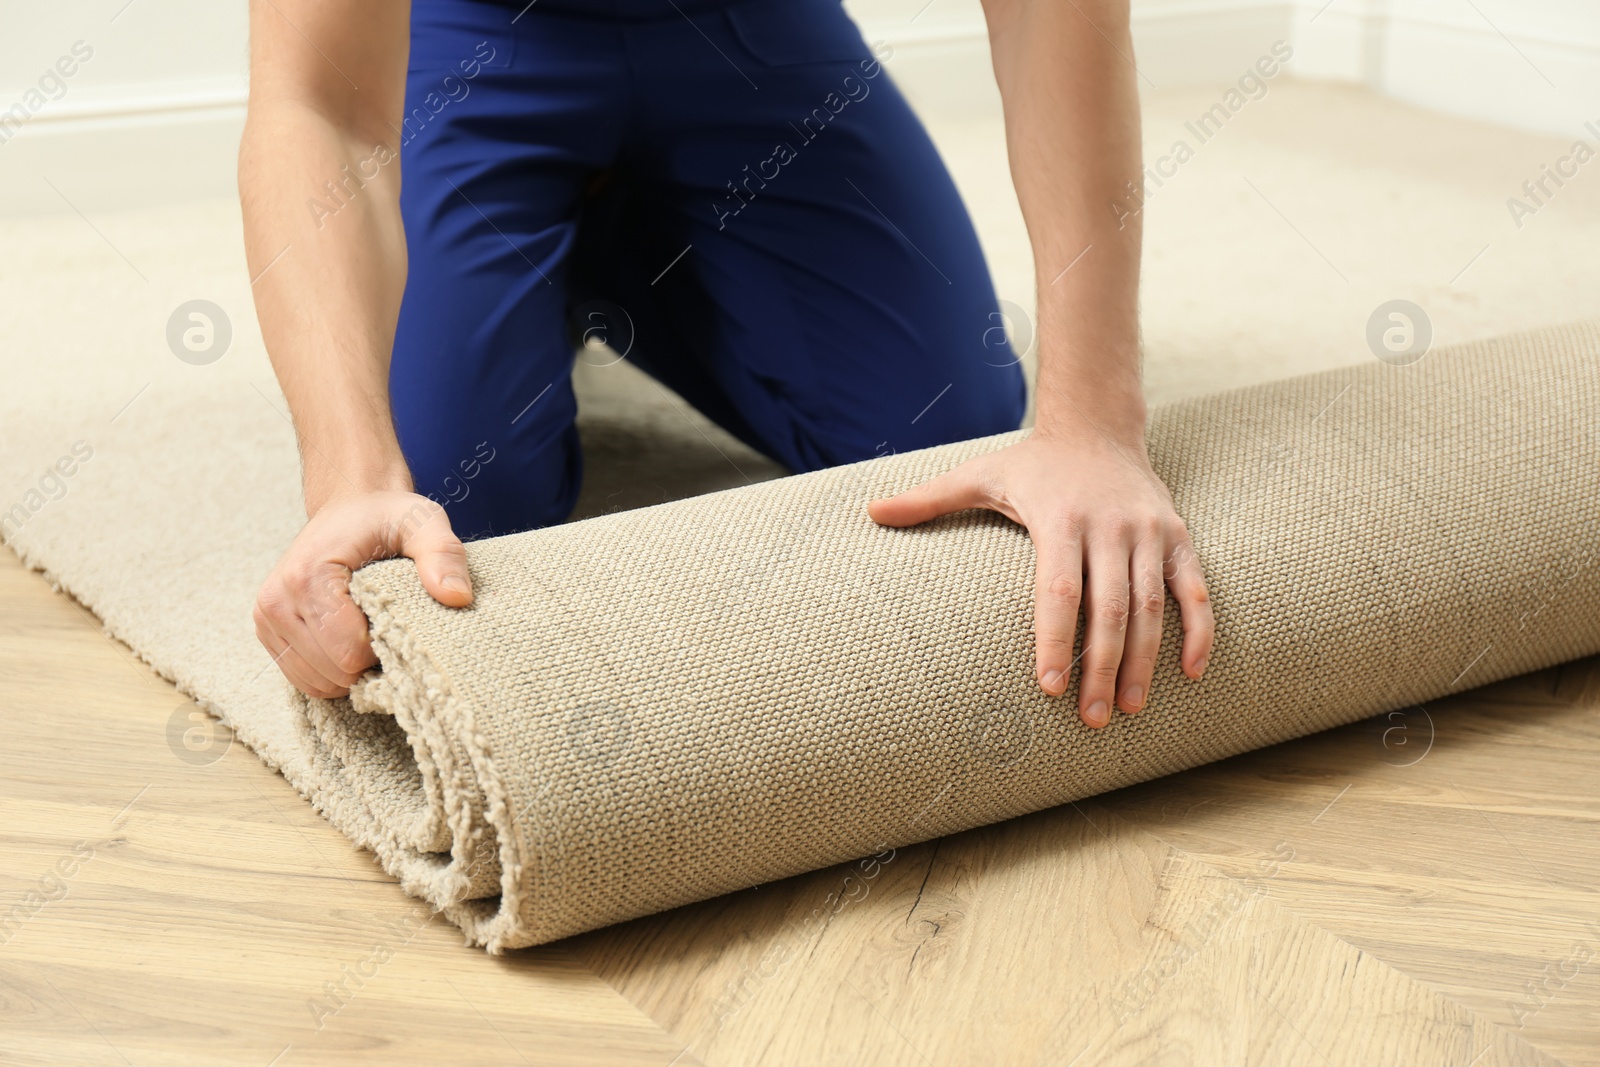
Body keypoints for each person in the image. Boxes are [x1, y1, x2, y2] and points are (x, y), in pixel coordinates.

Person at [242, 0, 1214, 728]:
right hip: (471, 34)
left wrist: (1090, 418)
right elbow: (317, 102)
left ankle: (617, 241)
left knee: (946, 443)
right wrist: (349, 478)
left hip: (748, 29)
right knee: (448, 524)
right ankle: (536, 239)